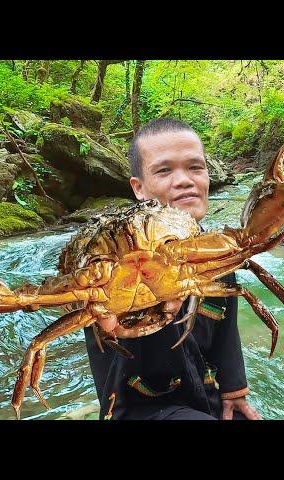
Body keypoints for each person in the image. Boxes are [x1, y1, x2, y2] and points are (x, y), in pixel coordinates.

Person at [83, 117, 262, 420]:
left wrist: (234, 388)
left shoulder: (213, 248)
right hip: (140, 407)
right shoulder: (113, 256)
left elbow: (226, 325)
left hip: (204, 395)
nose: (184, 180)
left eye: (195, 167)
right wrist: (134, 316)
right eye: (164, 170)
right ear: (138, 188)